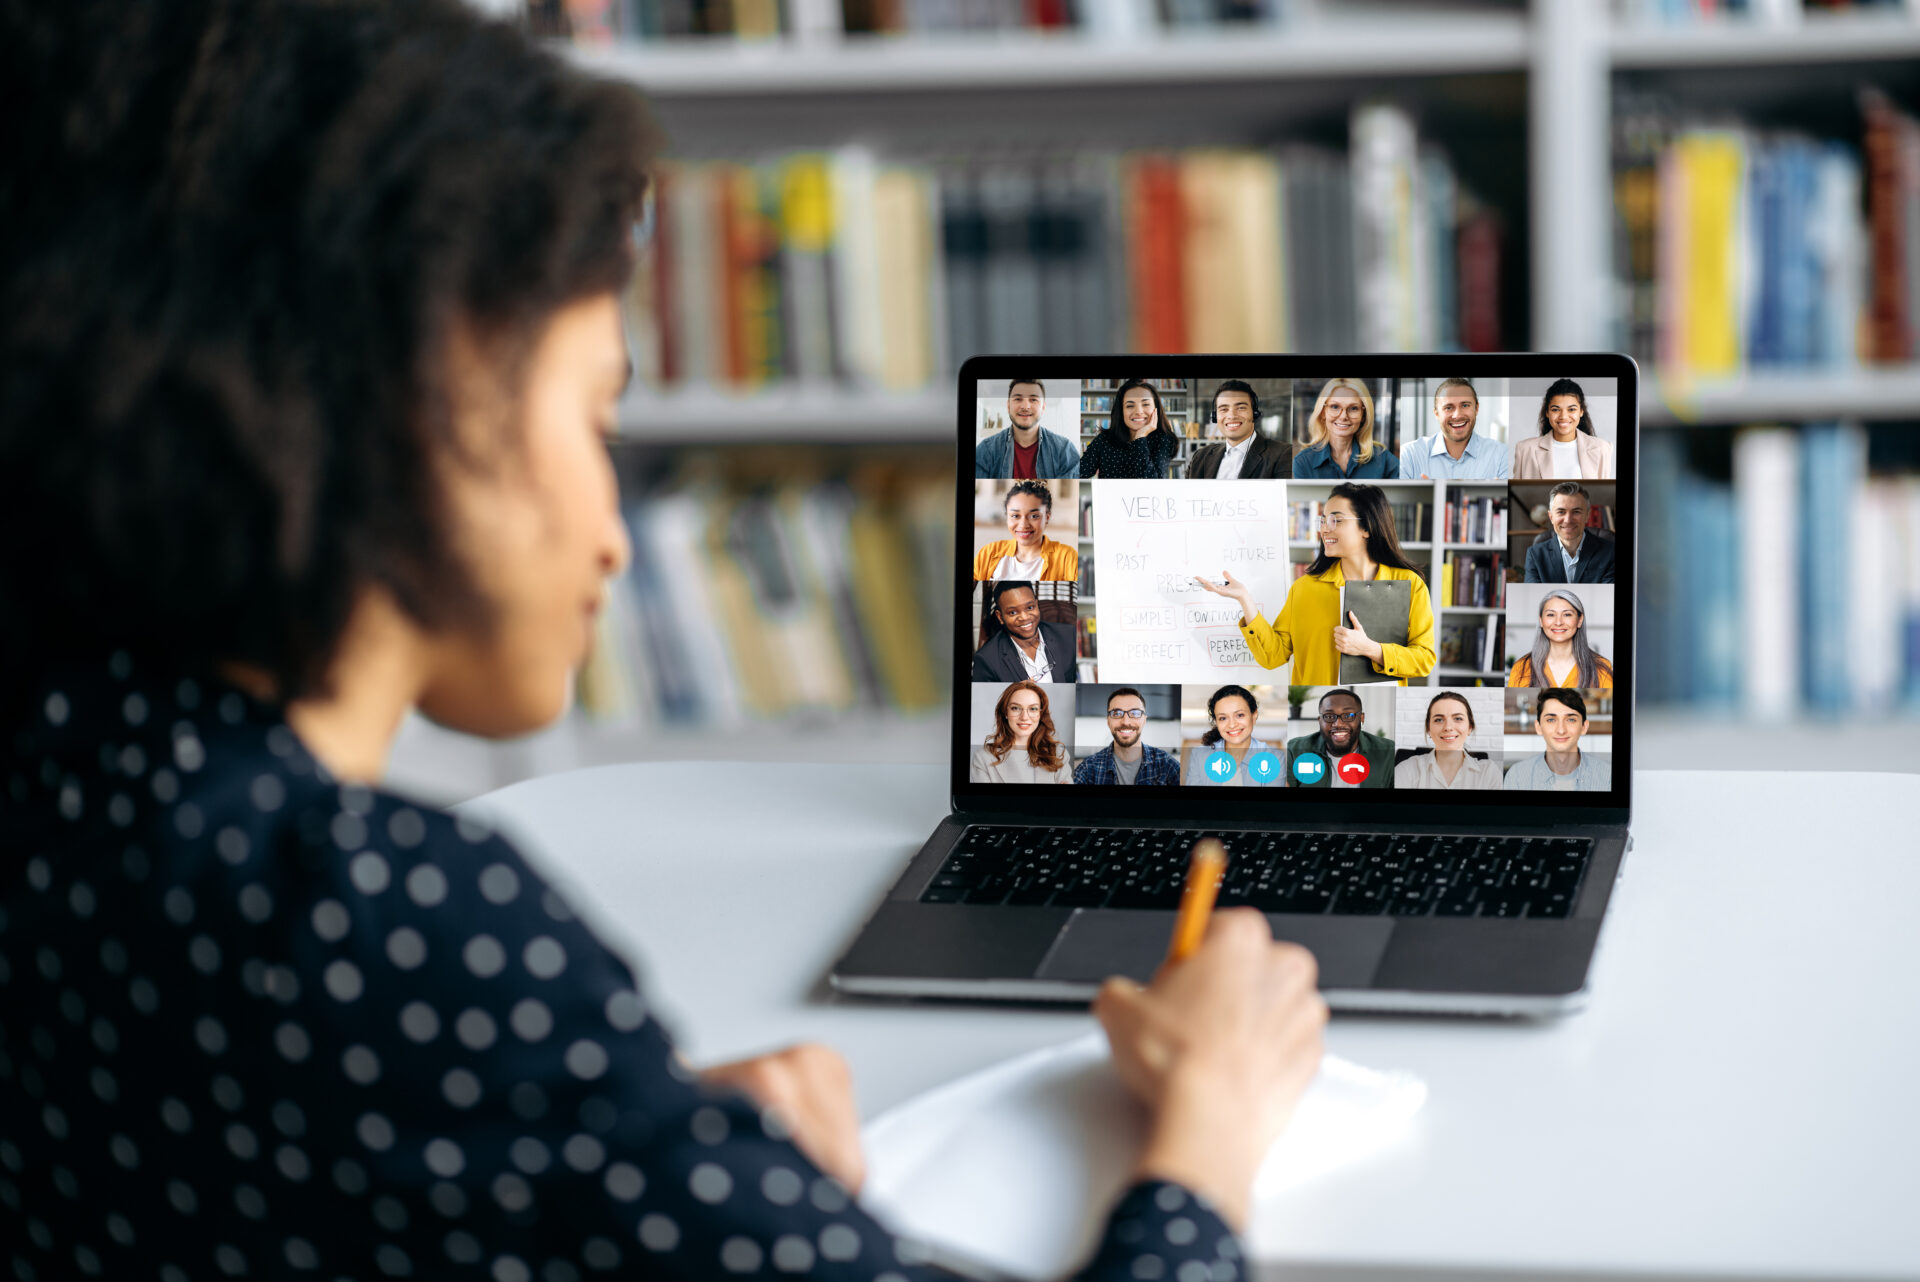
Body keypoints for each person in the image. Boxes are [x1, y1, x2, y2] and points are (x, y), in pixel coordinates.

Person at [0, 4, 1331, 1278]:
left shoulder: (64, 778)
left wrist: (646, 1148)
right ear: (436, 394)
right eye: (597, 421)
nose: (619, 537)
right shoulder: (397, 929)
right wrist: (1205, 1138)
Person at [1196, 482, 1435, 686]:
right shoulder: (1305, 588)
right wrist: (1244, 599)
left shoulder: (1409, 584)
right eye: (1323, 520)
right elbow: (1272, 656)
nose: (1324, 529)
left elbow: (1424, 660)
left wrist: (1370, 649)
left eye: (1336, 520)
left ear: (1366, 527)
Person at [1397, 377, 1510, 480]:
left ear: (1476, 408)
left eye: (1465, 405)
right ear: (1436, 414)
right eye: (1448, 407)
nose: (1457, 415)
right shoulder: (1410, 455)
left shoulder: (1502, 455)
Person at [1503, 688, 1611, 791]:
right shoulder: (1516, 777)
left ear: (1584, 727)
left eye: (1571, 720)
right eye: (1551, 720)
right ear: (1538, 727)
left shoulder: (1608, 777)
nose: (1561, 730)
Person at [1292, 378, 1400, 479]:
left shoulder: (1383, 459)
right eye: (1335, 407)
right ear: (1323, 412)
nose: (1343, 416)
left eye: (1353, 408)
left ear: (1363, 415)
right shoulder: (1303, 462)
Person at [969, 680, 1074, 783]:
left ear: (1040, 714)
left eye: (1033, 709)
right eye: (1015, 708)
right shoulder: (983, 758)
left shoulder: (1058, 755)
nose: (1024, 717)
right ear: (1005, 712)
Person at [975, 378, 1081, 479]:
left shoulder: (1065, 451)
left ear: (1043, 407)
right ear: (1008, 406)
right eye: (1018, 399)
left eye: (1033, 399)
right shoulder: (985, 451)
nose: (1025, 407)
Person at [973, 580, 1077, 684]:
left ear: (1036, 605)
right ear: (1000, 617)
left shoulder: (1069, 636)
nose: (1024, 617)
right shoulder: (986, 660)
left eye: (1030, 607)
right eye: (1013, 612)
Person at [1285, 688, 1393, 789]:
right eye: (1329, 716)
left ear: (1361, 718)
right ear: (1320, 721)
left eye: (1348, 715)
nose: (1338, 724)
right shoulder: (1295, 750)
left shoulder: (1389, 752)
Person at [972, 479, 1079, 581]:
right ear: (1007, 517)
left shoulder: (1067, 557)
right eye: (1015, 515)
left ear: (1047, 517)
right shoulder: (988, 553)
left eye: (1034, 516)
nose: (1023, 525)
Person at [1393, 692, 1503, 790]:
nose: (1448, 727)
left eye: (1458, 718)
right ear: (1428, 729)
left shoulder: (1489, 773)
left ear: (1470, 727)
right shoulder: (1406, 770)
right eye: (1439, 720)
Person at [1507, 588, 1614, 688]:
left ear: (1579, 620)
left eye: (1567, 615)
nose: (1558, 622)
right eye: (1551, 615)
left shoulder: (1602, 667)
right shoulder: (1521, 668)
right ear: (1540, 620)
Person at [1181, 684, 1286, 786]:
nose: (1232, 725)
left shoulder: (1274, 759)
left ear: (1254, 715)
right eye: (1223, 718)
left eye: (1240, 715)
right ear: (1216, 722)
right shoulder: (1199, 756)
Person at [1073, 687, 1180, 786]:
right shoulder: (1088, 768)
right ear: (1108, 721)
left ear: (1144, 720)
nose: (1126, 721)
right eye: (1117, 713)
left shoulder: (1167, 765)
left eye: (1135, 713)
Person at [1078, 377, 1181, 479]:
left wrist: (1140, 438)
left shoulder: (1163, 440)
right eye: (1130, 406)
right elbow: (1077, 473)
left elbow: (1151, 484)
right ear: (1121, 411)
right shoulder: (1104, 440)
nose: (1138, 411)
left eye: (1145, 404)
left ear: (1156, 410)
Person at [1512, 378, 1614, 480]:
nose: (1563, 416)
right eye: (1556, 409)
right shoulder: (1525, 449)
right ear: (1547, 412)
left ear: (1581, 411)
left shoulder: (1602, 448)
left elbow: (1605, 493)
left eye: (1571, 409)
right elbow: (1515, 492)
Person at [1184, 380, 1287, 479]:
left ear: (1254, 413)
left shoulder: (1282, 454)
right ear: (1216, 417)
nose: (1232, 416)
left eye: (1241, 408)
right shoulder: (1200, 457)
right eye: (1224, 409)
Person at [1524, 481, 1616, 584]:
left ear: (1587, 516)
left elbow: (1608, 597)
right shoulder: (1535, 554)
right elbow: (1534, 597)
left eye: (1576, 512)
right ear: (1551, 517)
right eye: (1561, 512)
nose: (1568, 520)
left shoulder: (1610, 552)